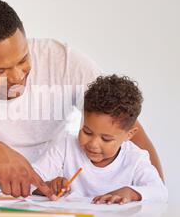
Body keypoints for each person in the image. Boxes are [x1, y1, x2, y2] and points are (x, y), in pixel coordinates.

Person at [0, 0, 164, 199]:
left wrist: (148, 209)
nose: (17, 77)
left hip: (47, 202)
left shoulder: (64, 63)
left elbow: (129, 134)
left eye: (23, 60)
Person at [33, 75, 168, 204]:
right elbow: (29, 181)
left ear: (129, 134)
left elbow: (160, 192)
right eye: (87, 131)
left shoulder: (135, 158)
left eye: (106, 139)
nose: (93, 144)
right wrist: (47, 186)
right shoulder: (66, 147)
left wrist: (131, 192)